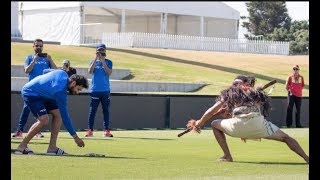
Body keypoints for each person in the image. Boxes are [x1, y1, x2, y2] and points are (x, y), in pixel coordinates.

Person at [188, 75, 309, 164]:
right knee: (286, 138)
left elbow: (211, 111)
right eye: (234, 83)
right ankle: (307, 158)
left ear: (244, 84)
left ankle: (227, 156)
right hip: (259, 127)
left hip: (238, 127)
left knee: (215, 124)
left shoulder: (230, 94)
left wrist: (200, 123)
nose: (234, 85)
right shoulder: (254, 92)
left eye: (236, 83)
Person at [15, 69, 88, 155]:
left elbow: (45, 71)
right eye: (78, 89)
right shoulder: (60, 91)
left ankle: (52, 148)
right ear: (73, 83)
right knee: (44, 120)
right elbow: (66, 117)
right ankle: (22, 146)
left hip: (47, 95)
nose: (77, 92)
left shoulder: (63, 72)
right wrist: (75, 137)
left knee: (58, 115)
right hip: (31, 93)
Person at [12, 38, 57, 138]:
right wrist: (34, 60)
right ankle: (19, 131)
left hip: (43, 90)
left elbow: (55, 71)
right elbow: (27, 70)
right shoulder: (29, 58)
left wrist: (50, 59)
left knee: (41, 110)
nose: (39, 47)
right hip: (31, 90)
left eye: (41, 46)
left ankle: (38, 132)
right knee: (26, 110)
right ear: (33, 46)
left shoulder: (46, 59)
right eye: (37, 46)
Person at [85, 43, 113, 137]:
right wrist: (96, 60)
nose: (100, 52)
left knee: (106, 111)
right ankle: (90, 130)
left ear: (105, 51)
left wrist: (103, 61)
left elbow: (109, 73)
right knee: (92, 111)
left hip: (105, 91)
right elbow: (90, 72)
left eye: (102, 50)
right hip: (95, 90)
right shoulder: (92, 61)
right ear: (96, 51)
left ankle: (106, 130)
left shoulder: (109, 62)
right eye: (99, 50)